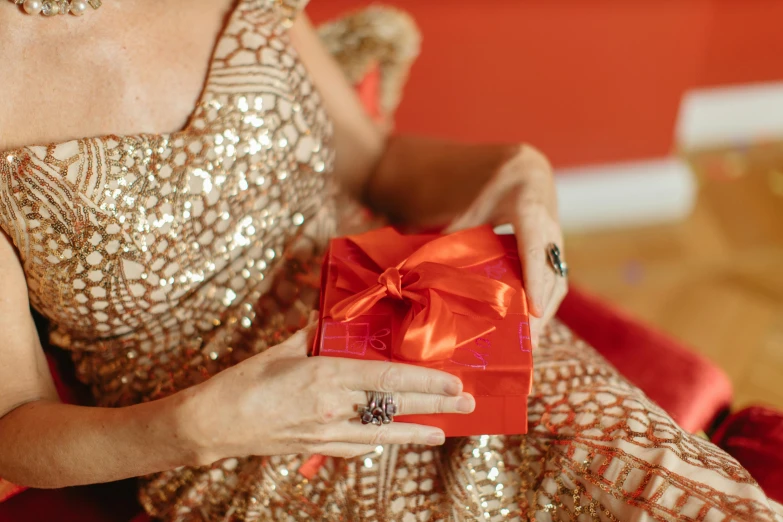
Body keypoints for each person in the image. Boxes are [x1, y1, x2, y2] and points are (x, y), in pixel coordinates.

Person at [0, 1, 780, 520]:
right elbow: (14, 427)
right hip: (243, 446)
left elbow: (376, 166)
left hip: (421, 305)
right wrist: (192, 430)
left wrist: (519, 168)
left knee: (675, 498)